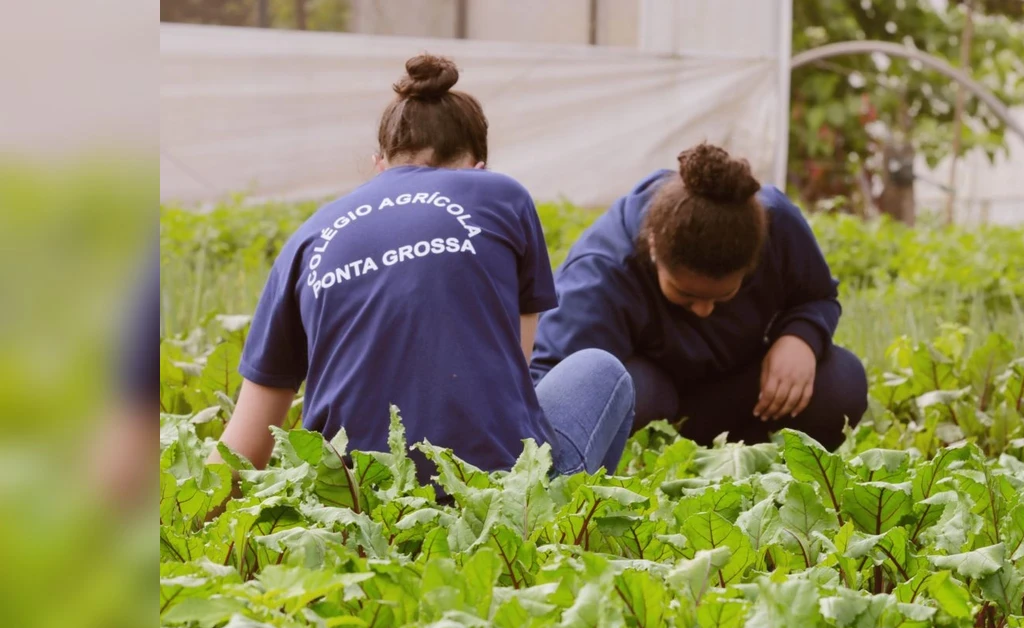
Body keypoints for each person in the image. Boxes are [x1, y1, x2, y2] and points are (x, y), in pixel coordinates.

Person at [213, 53, 634, 484]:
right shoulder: (501, 195)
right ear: (479, 168)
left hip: (350, 506)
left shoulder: (307, 238)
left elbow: (244, 445)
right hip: (492, 500)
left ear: (380, 166)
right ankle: (554, 536)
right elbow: (515, 375)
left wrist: (181, 525)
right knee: (600, 371)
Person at [531, 143, 867, 451]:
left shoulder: (776, 224)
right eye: (685, 294)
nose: (704, 311)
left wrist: (801, 337)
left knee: (841, 381)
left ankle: (740, 461)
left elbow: (817, 296)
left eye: (724, 296)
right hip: (652, 412)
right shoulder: (599, 274)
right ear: (652, 248)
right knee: (636, 388)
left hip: (734, 394)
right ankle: (658, 466)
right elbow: (554, 390)